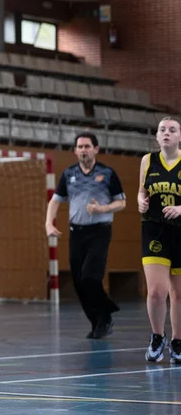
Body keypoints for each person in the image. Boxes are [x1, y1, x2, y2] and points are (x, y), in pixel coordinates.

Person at [45, 132, 125, 339]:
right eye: (80, 147)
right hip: (76, 233)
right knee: (79, 281)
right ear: (75, 151)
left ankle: (105, 315)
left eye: (87, 146)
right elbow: (55, 200)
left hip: (99, 232)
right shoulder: (68, 174)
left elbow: (121, 202)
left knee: (90, 276)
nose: (83, 150)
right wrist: (48, 223)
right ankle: (97, 321)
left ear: (95, 149)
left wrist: (103, 209)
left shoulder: (107, 173)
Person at [138, 117, 181, 364]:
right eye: (162, 130)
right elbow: (142, 191)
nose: (166, 133)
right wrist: (140, 201)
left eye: (172, 130)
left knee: (178, 294)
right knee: (156, 291)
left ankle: (178, 341)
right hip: (154, 229)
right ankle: (157, 336)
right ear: (156, 136)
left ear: (179, 136)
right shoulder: (147, 161)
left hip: (180, 231)